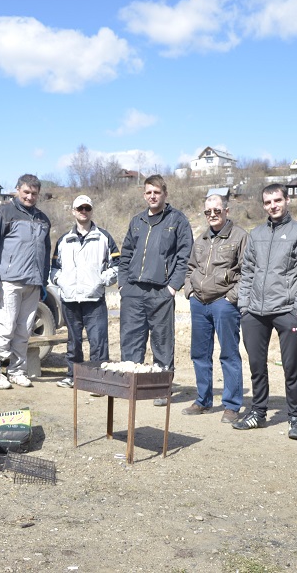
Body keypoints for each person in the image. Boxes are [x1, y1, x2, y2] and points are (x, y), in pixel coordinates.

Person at [234, 184, 297, 438]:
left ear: (287, 200)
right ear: (263, 205)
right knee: (257, 366)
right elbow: (246, 271)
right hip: (254, 312)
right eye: (268, 202)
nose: (273, 206)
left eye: (277, 200)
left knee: (291, 367)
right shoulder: (256, 234)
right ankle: (258, 413)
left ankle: (295, 417)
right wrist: (244, 306)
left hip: (286, 311)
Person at [118, 174, 193, 406]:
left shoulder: (177, 220)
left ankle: (161, 389)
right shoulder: (137, 221)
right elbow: (126, 253)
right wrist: (122, 283)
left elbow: (184, 256)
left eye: (157, 192)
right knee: (131, 339)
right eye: (149, 192)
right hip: (133, 290)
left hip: (160, 291)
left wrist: (172, 287)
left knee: (162, 341)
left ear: (165, 194)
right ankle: (131, 384)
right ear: (144, 194)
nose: (152, 196)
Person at [181, 194, 248, 423]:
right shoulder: (201, 239)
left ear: (226, 211)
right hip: (199, 303)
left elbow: (248, 272)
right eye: (208, 211)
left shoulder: (240, 237)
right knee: (199, 354)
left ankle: (231, 405)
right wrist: (189, 291)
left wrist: (232, 297)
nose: (212, 215)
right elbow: (190, 268)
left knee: (229, 354)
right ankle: (203, 400)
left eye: (217, 210)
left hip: (224, 303)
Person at [0, 174, 51, 389]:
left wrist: (43, 281)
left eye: (34, 193)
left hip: (33, 283)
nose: (30, 196)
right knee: (5, 325)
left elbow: (46, 252)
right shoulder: (3, 213)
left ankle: (17, 371)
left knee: (24, 328)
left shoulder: (42, 219)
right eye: (26, 192)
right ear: (17, 190)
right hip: (10, 281)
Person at [50, 194, 120, 388]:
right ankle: (73, 376)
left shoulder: (104, 237)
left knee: (98, 342)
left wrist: (101, 280)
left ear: (91, 211)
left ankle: (99, 379)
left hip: (94, 299)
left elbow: (118, 265)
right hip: (70, 299)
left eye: (87, 208)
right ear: (73, 211)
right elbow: (54, 268)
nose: (83, 211)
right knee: (73, 342)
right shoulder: (64, 240)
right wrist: (60, 281)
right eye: (79, 208)